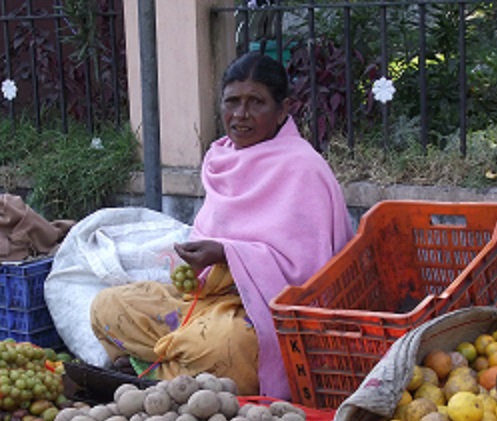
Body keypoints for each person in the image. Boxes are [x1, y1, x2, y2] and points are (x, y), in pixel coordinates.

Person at [90, 51, 353, 399]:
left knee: (226, 346)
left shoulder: (304, 168)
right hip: (206, 300)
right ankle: (174, 369)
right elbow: (209, 239)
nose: (241, 115)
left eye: (256, 102)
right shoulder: (220, 157)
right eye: (232, 102)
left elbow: (310, 274)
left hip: (262, 313)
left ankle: (153, 367)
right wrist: (199, 258)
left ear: (282, 110)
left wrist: (227, 253)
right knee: (107, 306)